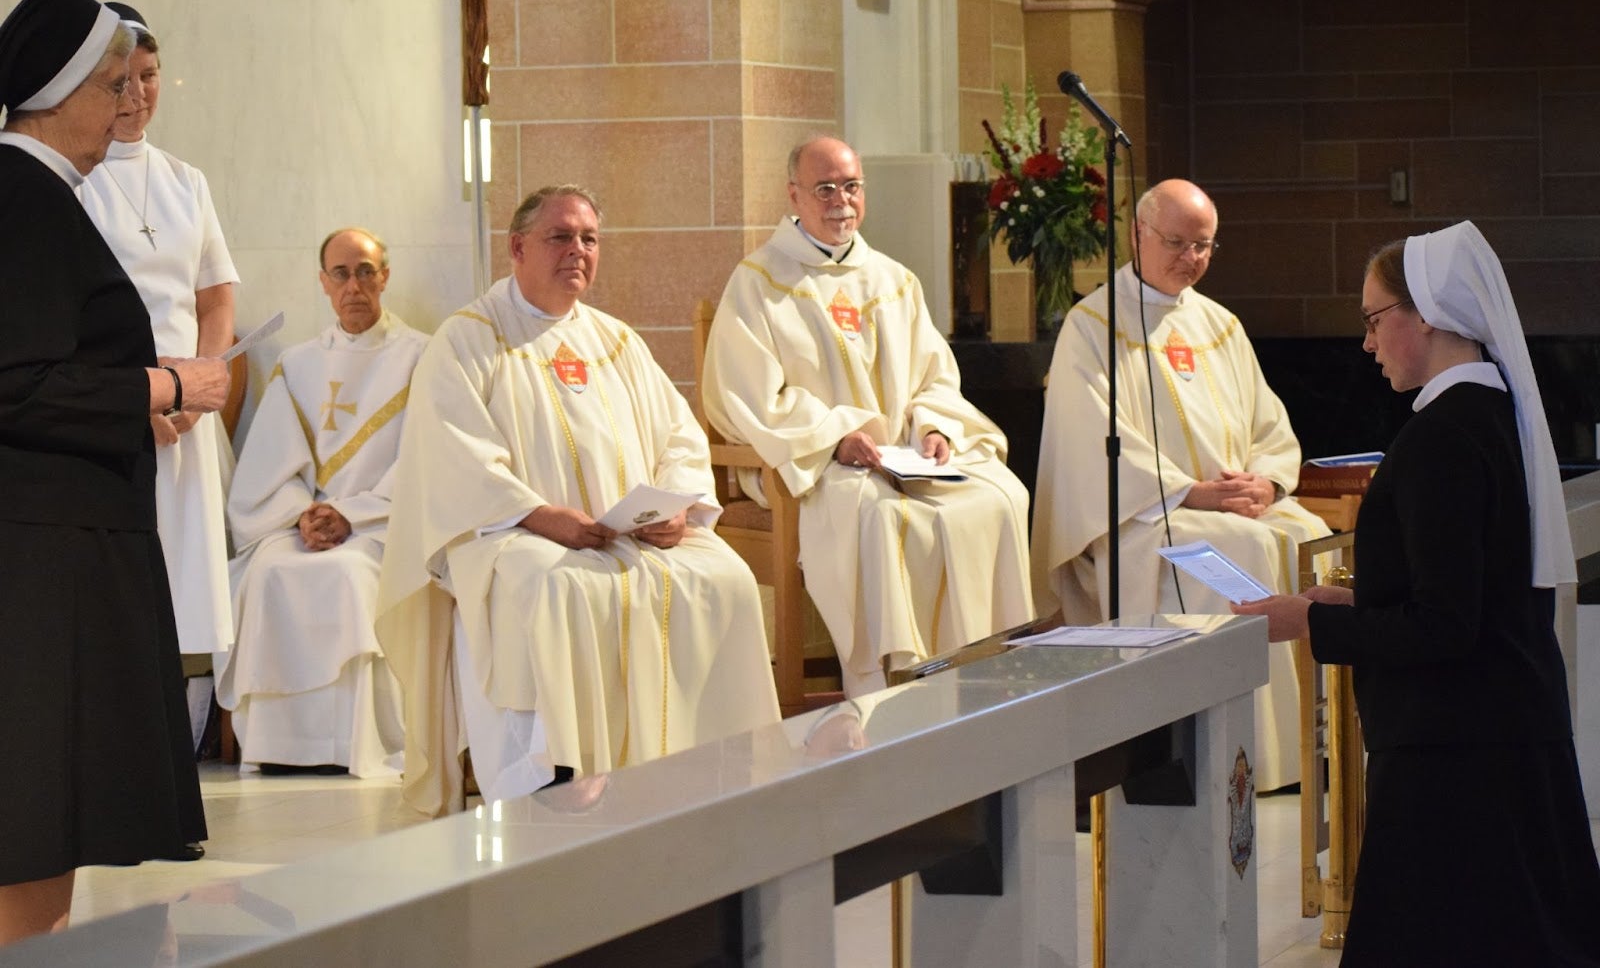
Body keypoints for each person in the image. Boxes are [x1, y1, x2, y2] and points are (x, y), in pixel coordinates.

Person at [1235, 223, 1600, 965]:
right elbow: (1478, 580)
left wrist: (1312, 621)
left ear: (1424, 313)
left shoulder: (1441, 436)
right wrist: (1358, 601)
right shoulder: (1495, 417)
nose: (1367, 345)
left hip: (1455, 760)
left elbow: (1444, 626)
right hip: (1501, 731)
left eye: (1373, 321)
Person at [377, 185, 780, 817]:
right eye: (560, 237)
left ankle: (716, 769)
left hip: (626, 537)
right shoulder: (465, 341)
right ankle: (554, 781)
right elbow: (454, 459)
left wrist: (675, 508)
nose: (578, 251)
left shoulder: (616, 341)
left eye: (589, 239)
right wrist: (539, 515)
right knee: (550, 589)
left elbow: (678, 436)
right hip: (510, 535)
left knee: (724, 575)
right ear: (517, 248)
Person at [0, 0, 229, 945]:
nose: (126, 105)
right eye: (111, 88)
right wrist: (166, 388)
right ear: (59, 96)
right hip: (42, 559)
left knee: (44, 812)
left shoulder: (39, 194)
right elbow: (18, 381)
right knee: (33, 811)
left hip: (60, 546)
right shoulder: (23, 196)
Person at [701, 136, 1034, 697]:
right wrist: (834, 439)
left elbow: (935, 378)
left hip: (900, 455)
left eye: (852, 186)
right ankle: (889, 685)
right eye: (825, 188)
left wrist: (933, 428)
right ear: (794, 195)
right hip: (812, 464)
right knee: (879, 516)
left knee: (1001, 494)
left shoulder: (894, 279)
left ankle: (981, 677)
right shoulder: (759, 281)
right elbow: (748, 396)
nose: (841, 201)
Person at [1031, 178, 1330, 790]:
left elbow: (1270, 425)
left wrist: (1267, 483)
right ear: (1137, 234)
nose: (1190, 258)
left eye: (1204, 246)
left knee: (1310, 536)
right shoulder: (1092, 327)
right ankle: (1235, 756)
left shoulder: (1220, 324)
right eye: (1176, 242)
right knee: (1232, 549)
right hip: (1141, 518)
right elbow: (1088, 443)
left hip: (1232, 508)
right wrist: (1186, 492)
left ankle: (1304, 749)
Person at [218, 229, 425, 778]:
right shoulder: (299, 362)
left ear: (385, 277)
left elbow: (428, 461)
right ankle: (279, 746)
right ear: (322, 283)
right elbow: (268, 463)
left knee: (348, 575)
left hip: (384, 524)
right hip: (305, 524)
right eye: (340, 273)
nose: (353, 285)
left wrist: (352, 514)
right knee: (268, 574)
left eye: (364, 271)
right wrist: (301, 516)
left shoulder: (423, 357)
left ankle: (348, 745)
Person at [80, 2, 240, 686]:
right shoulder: (72, 178)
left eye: (150, 75)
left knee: (178, 595)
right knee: (112, 596)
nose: (139, 93)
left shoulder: (186, 181)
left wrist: (199, 391)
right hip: (115, 411)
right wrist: (139, 402)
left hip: (184, 418)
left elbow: (216, 296)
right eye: (124, 78)